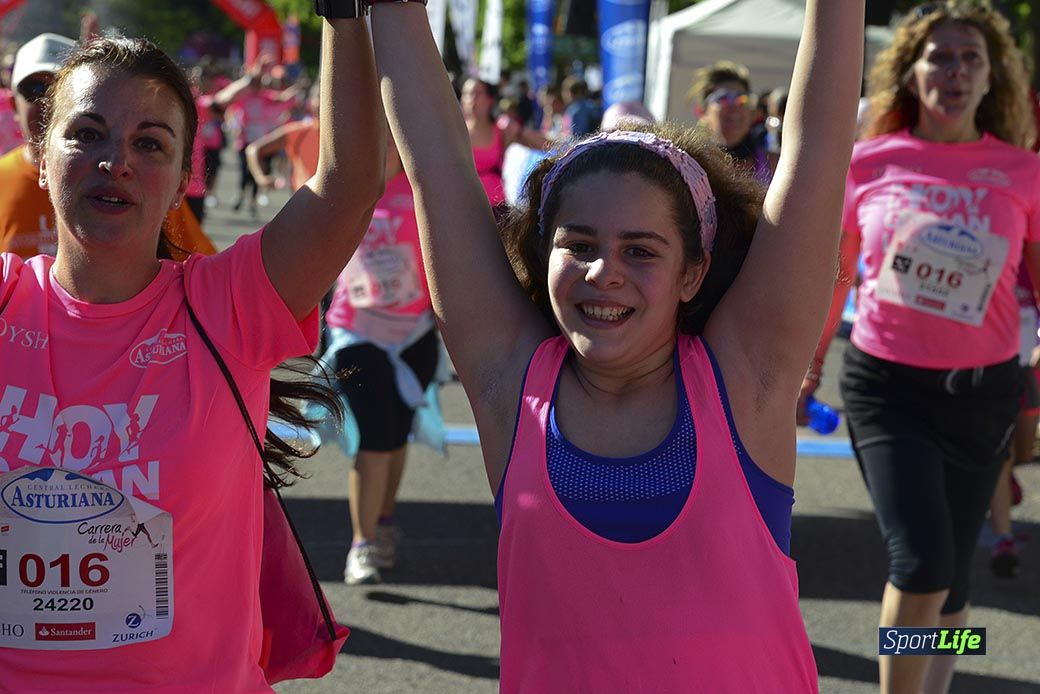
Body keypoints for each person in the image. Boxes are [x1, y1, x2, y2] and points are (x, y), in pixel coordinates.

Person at [371, 0, 863, 689]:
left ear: (692, 272)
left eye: (641, 249)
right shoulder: (510, 382)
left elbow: (818, 150)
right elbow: (434, 159)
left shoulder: (746, 379)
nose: (604, 272)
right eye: (578, 244)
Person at [0, 11, 382, 691]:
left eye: (149, 143)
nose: (115, 161)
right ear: (42, 152)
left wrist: (344, 16)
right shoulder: (5, 300)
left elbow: (349, 184)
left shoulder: (227, 307)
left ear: (182, 181)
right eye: (87, 133)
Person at [800, 3, 1040, 692]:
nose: (955, 71)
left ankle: (934, 674)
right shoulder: (870, 162)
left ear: (992, 77)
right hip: (889, 388)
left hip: (985, 393)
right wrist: (809, 363)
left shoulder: (1022, 171)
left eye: (971, 59)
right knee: (922, 563)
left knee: (954, 580)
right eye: (940, 57)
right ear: (912, 73)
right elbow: (838, 275)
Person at [0, 33, 213, 260]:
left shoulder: (152, 190)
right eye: (34, 90)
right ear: (45, 161)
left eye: (147, 144)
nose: (116, 164)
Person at [461, 76, 546, 208]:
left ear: (490, 100)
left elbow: (545, 145)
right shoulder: (456, 133)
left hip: (499, 208)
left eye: (477, 93)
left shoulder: (501, 129)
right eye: (466, 94)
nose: (471, 99)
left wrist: (519, 131)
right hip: (467, 206)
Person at [689, 60, 777, 183]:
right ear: (703, 113)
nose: (734, 107)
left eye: (741, 100)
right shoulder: (692, 167)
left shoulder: (775, 165)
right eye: (722, 98)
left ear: (752, 113)